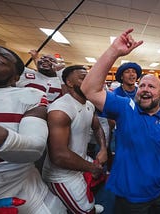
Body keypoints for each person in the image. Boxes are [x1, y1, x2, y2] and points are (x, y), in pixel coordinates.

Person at [81, 29, 160, 214]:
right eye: (143, 85)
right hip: (131, 196)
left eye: (152, 86)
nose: (145, 89)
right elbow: (89, 89)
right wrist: (113, 51)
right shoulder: (125, 108)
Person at [0, 45, 66, 213]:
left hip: (43, 127)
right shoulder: (28, 75)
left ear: (13, 77)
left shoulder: (30, 94)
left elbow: (34, 147)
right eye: (43, 59)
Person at [42, 65, 107, 214]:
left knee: (99, 179)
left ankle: (73, 204)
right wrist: (92, 168)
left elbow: (97, 127)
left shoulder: (89, 104)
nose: (89, 81)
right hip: (61, 174)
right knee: (87, 211)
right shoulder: (61, 109)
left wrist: (103, 149)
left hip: (79, 162)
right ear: (69, 83)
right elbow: (59, 156)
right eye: (83, 78)